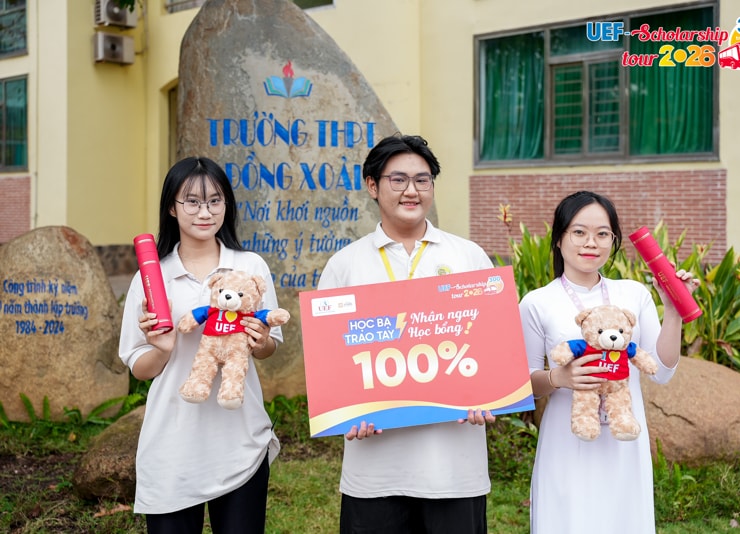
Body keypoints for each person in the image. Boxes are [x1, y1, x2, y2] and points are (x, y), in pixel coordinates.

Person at [317, 134, 495, 534]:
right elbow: (329, 361)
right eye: (398, 180)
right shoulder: (345, 265)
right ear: (372, 185)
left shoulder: (468, 256)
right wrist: (345, 410)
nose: (411, 191)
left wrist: (491, 394)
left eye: (422, 179)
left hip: (454, 470)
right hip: (374, 471)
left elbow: (492, 347)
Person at [518, 191, 699, 534]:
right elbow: (522, 385)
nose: (591, 243)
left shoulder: (634, 294)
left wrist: (673, 311)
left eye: (602, 234)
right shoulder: (537, 302)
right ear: (559, 238)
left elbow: (661, 372)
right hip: (566, 444)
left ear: (613, 240)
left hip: (623, 445)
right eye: (579, 232)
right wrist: (559, 377)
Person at [119, 156, 283, 534]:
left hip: (240, 441)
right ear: (172, 208)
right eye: (192, 201)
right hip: (172, 444)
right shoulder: (152, 277)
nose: (205, 212)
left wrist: (260, 342)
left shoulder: (250, 266)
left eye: (214, 201)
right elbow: (138, 367)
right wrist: (161, 349)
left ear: (227, 205)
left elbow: (270, 345)